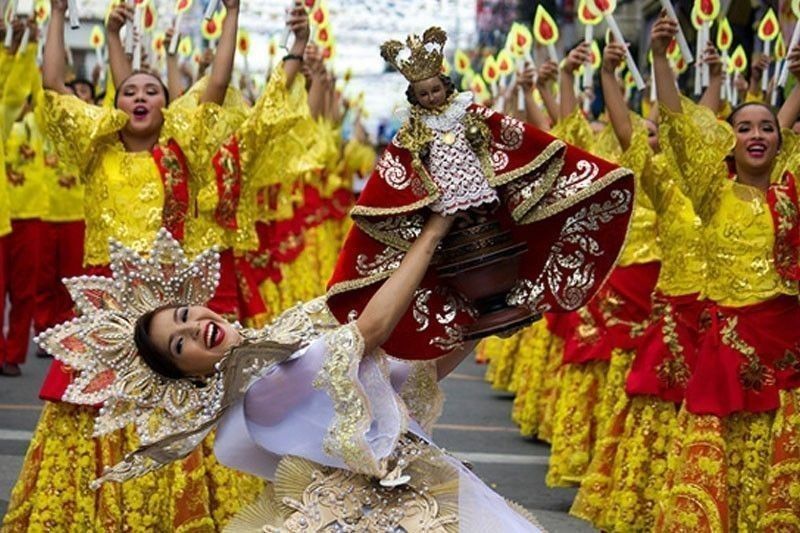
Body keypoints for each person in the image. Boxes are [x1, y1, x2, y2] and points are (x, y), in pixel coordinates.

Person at [38, 223, 544, 532]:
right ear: (185, 375)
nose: (197, 327)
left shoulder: (275, 343)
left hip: (415, 491)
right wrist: (432, 236)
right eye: (180, 343)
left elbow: (404, 378)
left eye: (188, 313)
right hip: (397, 513)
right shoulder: (260, 391)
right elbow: (370, 329)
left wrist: (478, 327)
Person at [327, 27, 636, 361]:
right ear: (414, 97)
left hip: (479, 188)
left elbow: (505, 133)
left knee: (491, 234)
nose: (431, 98)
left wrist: (483, 143)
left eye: (435, 90)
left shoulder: (467, 113)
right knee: (457, 244)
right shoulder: (413, 130)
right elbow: (401, 164)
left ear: (445, 87)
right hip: (443, 198)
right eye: (424, 94)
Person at [650, 11, 800, 530]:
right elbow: (677, 126)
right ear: (728, 140)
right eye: (743, 127)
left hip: (786, 340)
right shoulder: (712, 193)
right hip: (727, 342)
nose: (756, 134)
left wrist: (798, 79)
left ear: (783, 142)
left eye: (767, 128)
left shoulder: (793, 193)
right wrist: (660, 59)